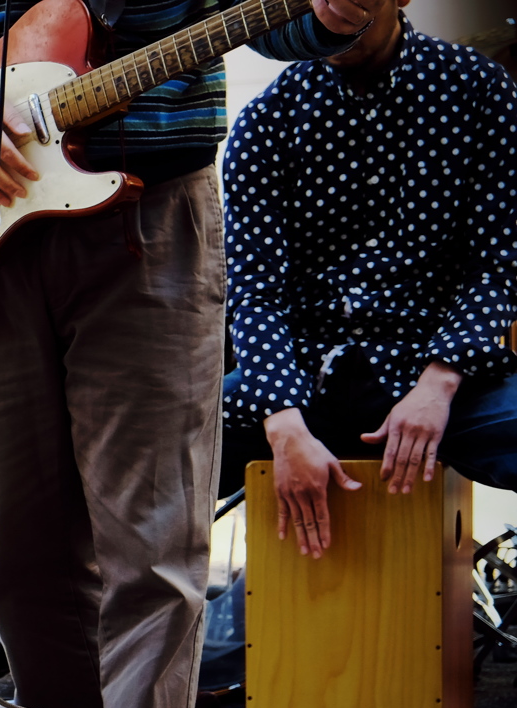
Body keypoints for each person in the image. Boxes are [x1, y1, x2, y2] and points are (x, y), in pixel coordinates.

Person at [0, 0, 371, 708]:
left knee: (151, 554)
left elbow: (274, 20)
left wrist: (331, 19)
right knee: (29, 559)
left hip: (148, 213)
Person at [219, 0, 517, 562]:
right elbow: (255, 292)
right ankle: (205, 642)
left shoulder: (478, 88)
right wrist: (282, 424)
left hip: (441, 372)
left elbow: (499, 263)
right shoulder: (269, 118)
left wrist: (439, 383)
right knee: (153, 470)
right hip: (301, 381)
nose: (333, 10)